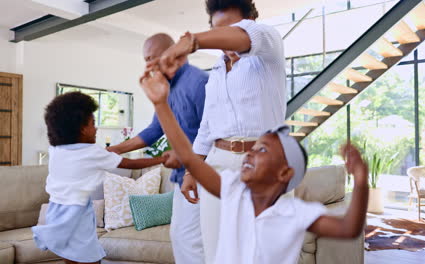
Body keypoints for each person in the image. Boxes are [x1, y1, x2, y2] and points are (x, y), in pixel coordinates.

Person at [139, 69, 369, 264]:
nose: (249, 152)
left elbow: (349, 228)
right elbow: (189, 155)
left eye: (262, 150)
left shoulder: (295, 213)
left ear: (284, 172)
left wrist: (360, 180)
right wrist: (161, 105)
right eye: (253, 147)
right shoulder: (232, 191)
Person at [147, 1, 287, 261]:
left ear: (250, 21)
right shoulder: (217, 70)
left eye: (231, 28)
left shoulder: (269, 46)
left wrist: (190, 41)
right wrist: (192, 170)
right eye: (215, 29)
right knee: (215, 251)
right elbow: (207, 126)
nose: (223, 38)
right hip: (217, 162)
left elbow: (244, 37)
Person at [32, 92, 169, 264]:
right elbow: (130, 164)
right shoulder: (92, 152)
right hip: (76, 214)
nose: (96, 128)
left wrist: (109, 151)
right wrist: (162, 159)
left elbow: (88, 158)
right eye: (93, 124)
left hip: (56, 213)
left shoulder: (56, 150)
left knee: (71, 257)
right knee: (89, 258)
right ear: (81, 129)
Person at [106, 33, 208, 263]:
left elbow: (211, 132)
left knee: (192, 239)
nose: (148, 65)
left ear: (171, 52)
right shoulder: (165, 87)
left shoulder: (199, 82)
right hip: (184, 175)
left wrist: (194, 171)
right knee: (180, 236)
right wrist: (116, 150)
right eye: (145, 59)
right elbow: (154, 130)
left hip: (203, 174)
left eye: (152, 57)